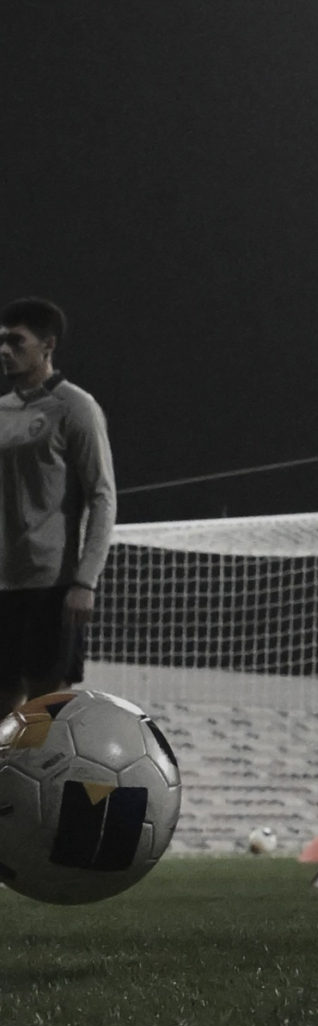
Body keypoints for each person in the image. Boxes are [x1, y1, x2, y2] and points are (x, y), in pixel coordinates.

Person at [0, 297, 117, 719]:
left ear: (47, 345)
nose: (4, 350)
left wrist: (85, 581)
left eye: (16, 341)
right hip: (2, 584)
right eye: (1, 341)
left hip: (51, 584)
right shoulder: (2, 410)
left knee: (42, 715)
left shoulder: (76, 407)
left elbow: (103, 496)